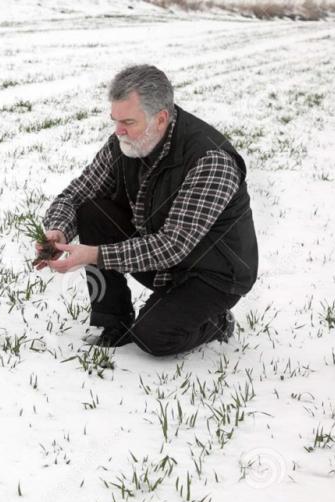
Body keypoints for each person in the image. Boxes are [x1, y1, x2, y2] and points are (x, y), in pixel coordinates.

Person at [34, 64, 258, 356]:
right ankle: (111, 322)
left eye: (127, 121)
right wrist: (58, 231)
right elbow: (76, 195)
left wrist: (94, 254)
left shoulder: (210, 159)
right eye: (114, 120)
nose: (118, 131)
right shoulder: (124, 143)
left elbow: (173, 245)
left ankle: (216, 322)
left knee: (154, 337)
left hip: (213, 273)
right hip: (160, 255)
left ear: (161, 118)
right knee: (91, 211)